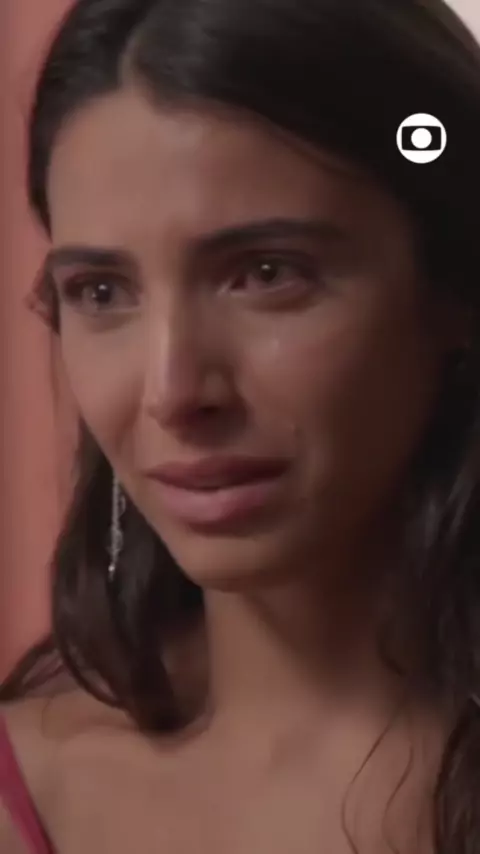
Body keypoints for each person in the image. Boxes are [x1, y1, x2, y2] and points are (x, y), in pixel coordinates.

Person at [2, 0, 480, 851]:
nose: (173, 393)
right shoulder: (26, 789)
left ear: (452, 289)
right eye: (102, 292)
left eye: (266, 273)